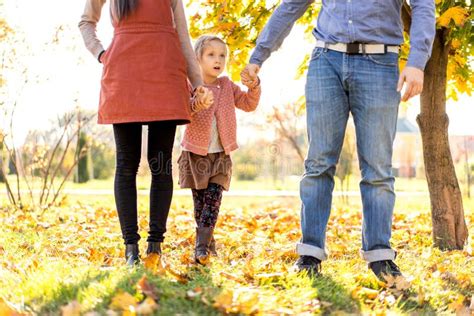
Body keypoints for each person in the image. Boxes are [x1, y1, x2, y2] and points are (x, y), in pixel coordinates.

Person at [242, 0, 435, 280]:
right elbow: (291, 5)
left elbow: (423, 6)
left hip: (380, 64)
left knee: (378, 168)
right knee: (318, 163)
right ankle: (310, 252)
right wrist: (259, 56)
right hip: (326, 62)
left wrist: (417, 62)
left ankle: (380, 255)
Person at [78, 0, 213, 266]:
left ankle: (155, 246)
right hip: (123, 74)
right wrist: (103, 54)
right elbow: (86, 22)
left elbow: (182, 36)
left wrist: (197, 82)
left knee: (160, 165)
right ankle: (131, 248)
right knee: (126, 165)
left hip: (165, 74)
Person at [178, 35, 261, 264]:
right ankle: (207, 244)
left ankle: (201, 247)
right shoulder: (191, 85)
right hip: (195, 155)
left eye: (222, 55)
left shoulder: (226, 85)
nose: (218, 59)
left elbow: (248, 104)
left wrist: (253, 86)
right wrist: (197, 103)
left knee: (213, 201)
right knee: (200, 205)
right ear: (198, 59)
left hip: (221, 155)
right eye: (211, 55)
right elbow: (185, 111)